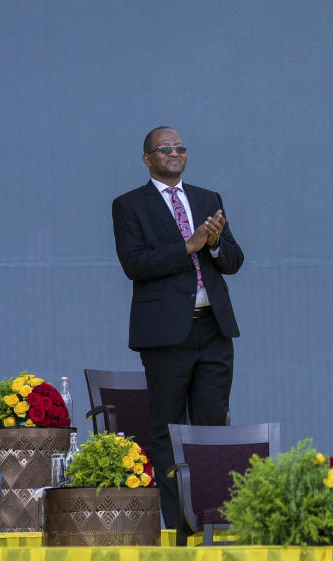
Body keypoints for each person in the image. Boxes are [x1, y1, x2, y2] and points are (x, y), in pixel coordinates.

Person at [112, 126, 244, 527]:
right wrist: (187, 246)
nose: (174, 153)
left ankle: (210, 519)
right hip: (166, 334)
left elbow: (234, 260)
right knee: (168, 432)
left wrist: (216, 244)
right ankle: (178, 524)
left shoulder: (208, 198)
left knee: (213, 429)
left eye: (180, 148)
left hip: (213, 329)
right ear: (147, 158)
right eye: (164, 148)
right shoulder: (129, 205)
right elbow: (134, 264)